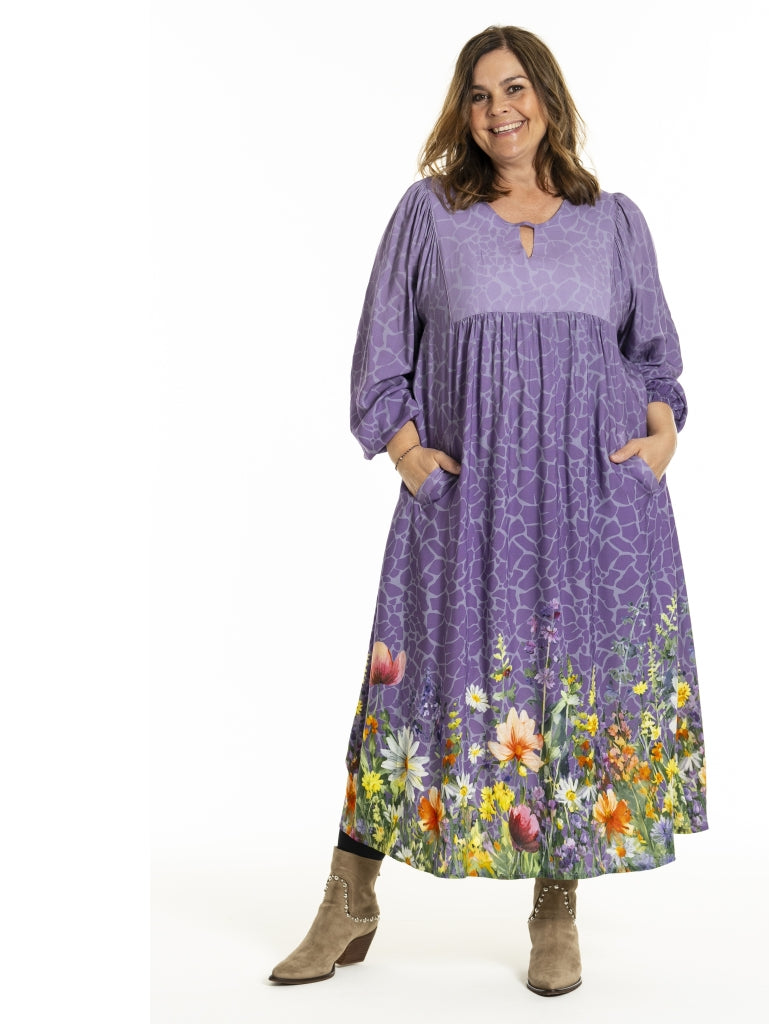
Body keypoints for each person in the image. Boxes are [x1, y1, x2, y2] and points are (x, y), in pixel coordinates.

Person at [269, 24, 708, 996]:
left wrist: (661, 439)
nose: (498, 109)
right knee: (408, 690)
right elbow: (380, 356)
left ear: (547, 96)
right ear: (461, 113)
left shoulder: (613, 222)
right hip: (468, 511)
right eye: (478, 95)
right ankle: (348, 898)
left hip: (593, 513)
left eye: (514, 88)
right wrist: (409, 457)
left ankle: (556, 909)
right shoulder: (430, 215)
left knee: (567, 697)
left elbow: (654, 359)